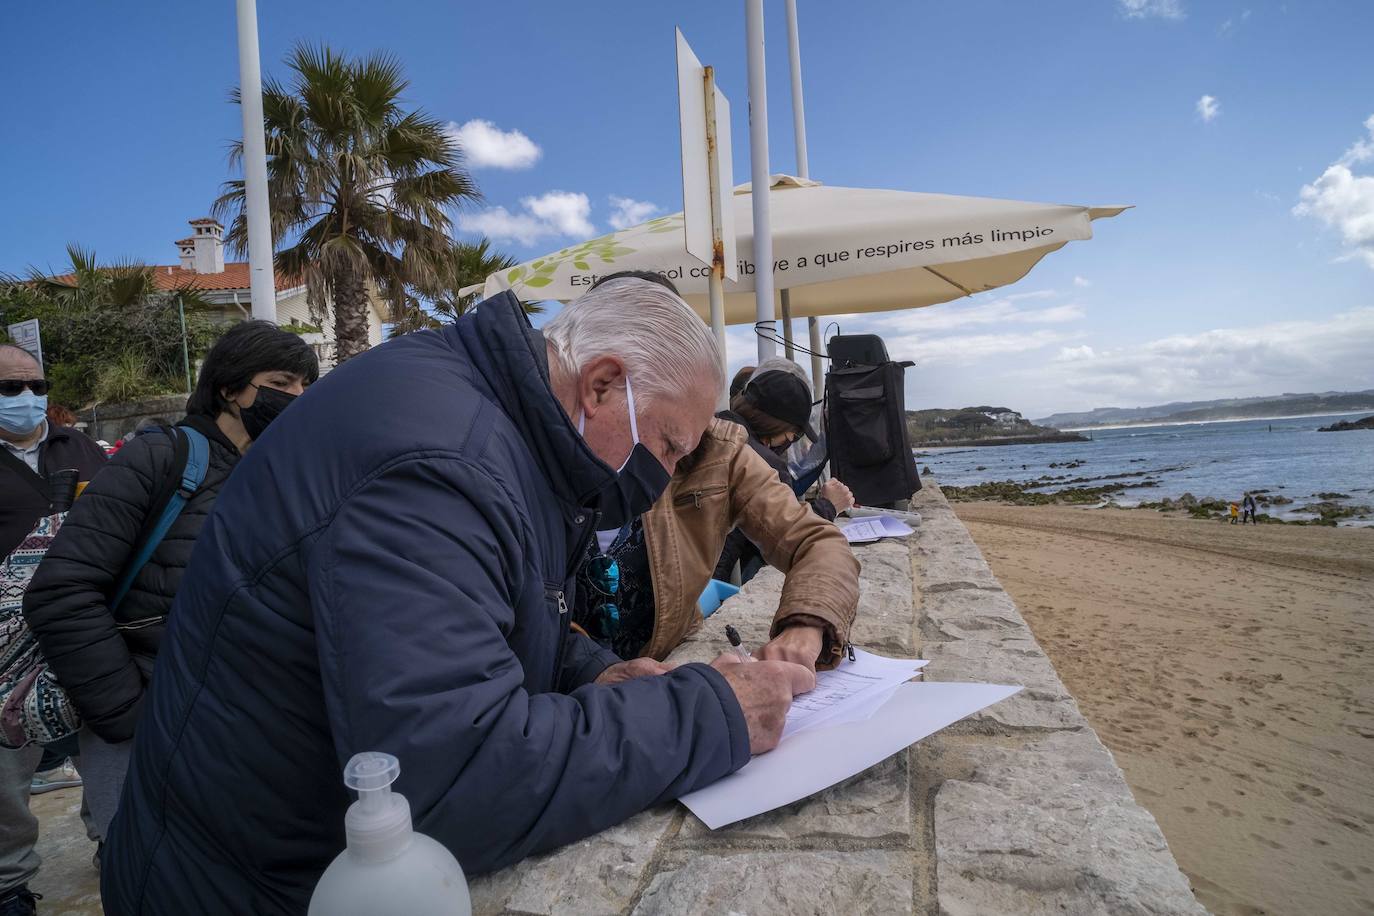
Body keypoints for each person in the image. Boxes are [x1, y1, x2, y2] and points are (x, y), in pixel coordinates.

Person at [103, 281, 815, 912]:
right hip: (242, 880)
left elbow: (495, 612)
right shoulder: (441, 468)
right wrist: (713, 711)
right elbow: (454, 775)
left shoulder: (490, 424)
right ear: (603, 384)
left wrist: (595, 671)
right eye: (666, 445)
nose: (663, 477)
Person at [22, 321, 318, 861]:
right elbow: (62, 590)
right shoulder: (162, 457)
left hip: (242, 729)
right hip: (149, 728)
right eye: (282, 381)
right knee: (156, 873)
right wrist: (130, 715)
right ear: (230, 388)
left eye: (306, 385)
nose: (297, 397)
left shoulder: (281, 472)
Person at [572, 413, 861, 670]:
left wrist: (807, 621)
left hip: (659, 671)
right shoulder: (541, 446)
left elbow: (817, 540)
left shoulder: (719, 451)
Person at [0, 344, 107, 916]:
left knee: (101, 744)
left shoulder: (79, 445)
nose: (26, 398)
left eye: (35, 386)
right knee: (5, 765)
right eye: (10, 388)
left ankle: (112, 845)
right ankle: (10, 882)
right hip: (2, 642)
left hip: (84, 624)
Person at [714, 358, 855, 583]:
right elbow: (785, 534)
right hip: (708, 586)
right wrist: (829, 506)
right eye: (795, 434)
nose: (791, 440)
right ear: (776, 424)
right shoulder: (762, 461)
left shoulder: (716, 429)